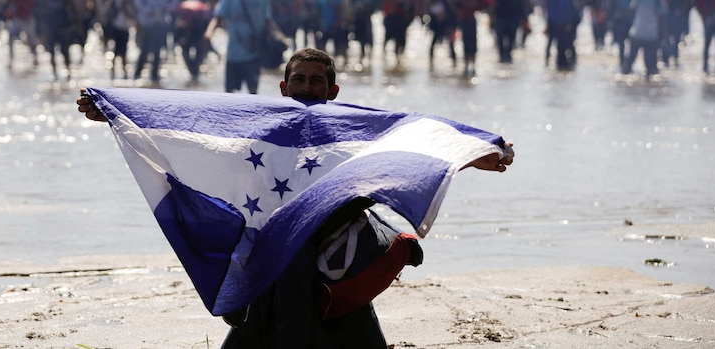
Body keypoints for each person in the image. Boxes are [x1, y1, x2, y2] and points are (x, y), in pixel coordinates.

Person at [77, 48, 515, 348]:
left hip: (333, 251)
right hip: (271, 251)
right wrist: (113, 113)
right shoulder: (259, 126)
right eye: (299, 79)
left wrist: (477, 154)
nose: (308, 87)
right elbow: (184, 128)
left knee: (350, 330)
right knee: (258, 331)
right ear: (284, 87)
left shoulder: (350, 127)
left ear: (333, 91)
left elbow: (412, 142)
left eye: (317, 81)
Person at [203, 0, 289, 94]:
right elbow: (217, 18)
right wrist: (209, 33)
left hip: (253, 53)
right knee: (229, 94)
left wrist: (281, 36)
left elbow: (268, 20)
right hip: (233, 54)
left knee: (253, 92)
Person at [133, 0, 178, 84]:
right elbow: (138, 3)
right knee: (144, 49)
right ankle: (137, 75)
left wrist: (164, 9)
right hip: (147, 22)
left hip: (162, 23)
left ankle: (154, 76)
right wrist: (150, 10)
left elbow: (173, 3)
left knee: (158, 51)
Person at [451, 0, 494, 76]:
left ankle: (468, 66)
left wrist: (461, 1)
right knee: (470, 43)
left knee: (468, 43)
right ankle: (470, 66)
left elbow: (472, 2)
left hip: (467, 19)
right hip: (468, 19)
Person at [622, 0, 666, 77]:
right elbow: (662, 19)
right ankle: (648, 86)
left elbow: (631, 11)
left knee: (629, 62)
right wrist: (664, 34)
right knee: (650, 66)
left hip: (636, 33)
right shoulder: (658, 1)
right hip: (651, 36)